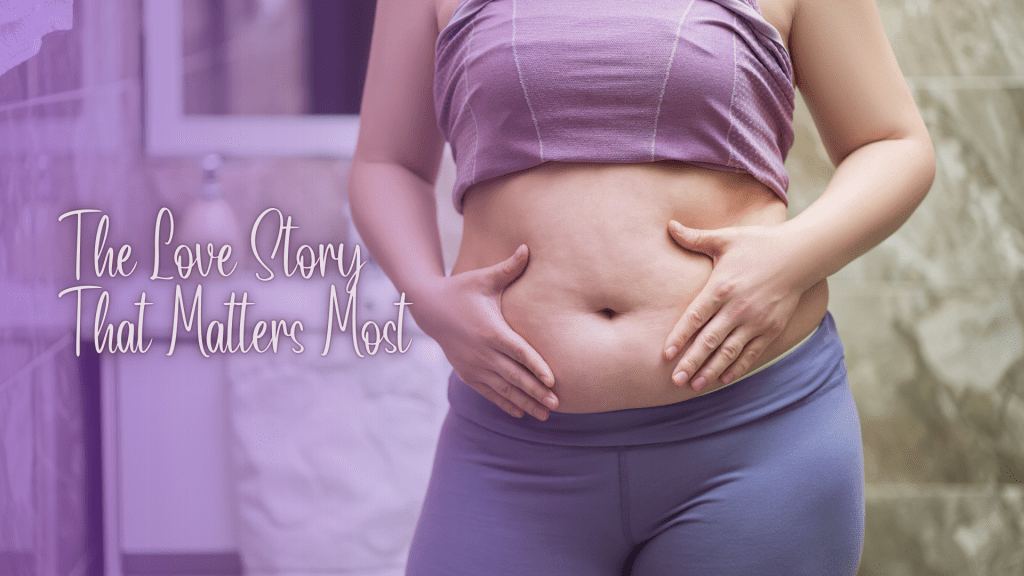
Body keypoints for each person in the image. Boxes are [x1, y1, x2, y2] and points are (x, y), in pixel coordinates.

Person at [348, 0, 934, 573]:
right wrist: (425, 296)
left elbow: (892, 142)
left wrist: (790, 260)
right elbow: (386, 163)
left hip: (755, 439)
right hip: (510, 447)